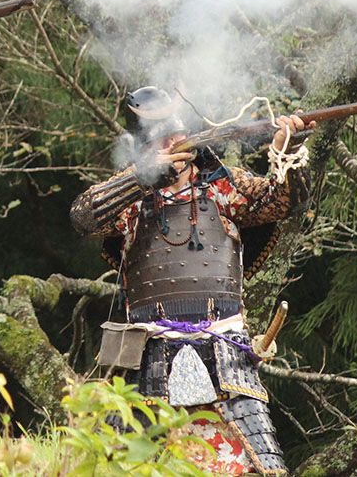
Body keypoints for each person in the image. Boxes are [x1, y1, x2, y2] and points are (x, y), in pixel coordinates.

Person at [70, 86, 312, 477]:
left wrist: (287, 149)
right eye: (159, 139)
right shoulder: (131, 198)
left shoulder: (222, 187)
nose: (171, 143)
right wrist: (145, 177)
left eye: (174, 134)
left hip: (226, 361)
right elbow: (82, 216)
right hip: (147, 360)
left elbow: (285, 201)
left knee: (257, 470)